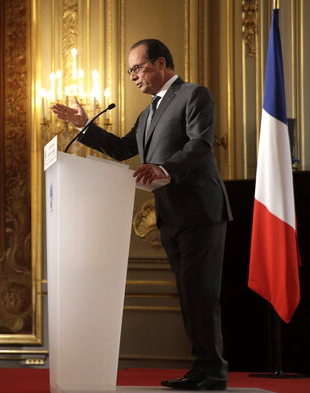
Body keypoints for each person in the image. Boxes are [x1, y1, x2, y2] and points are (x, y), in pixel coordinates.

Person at [51, 38, 232, 390]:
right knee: (188, 293)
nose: (133, 76)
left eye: (138, 67)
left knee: (201, 293)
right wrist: (85, 126)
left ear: (161, 63)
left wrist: (165, 168)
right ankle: (201, 368)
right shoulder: (148, 112)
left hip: (201, 211)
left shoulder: (194, 95)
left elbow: (200, 143)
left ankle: (213, 370)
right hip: (172, 214)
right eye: (130, 70)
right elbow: (121, 149)